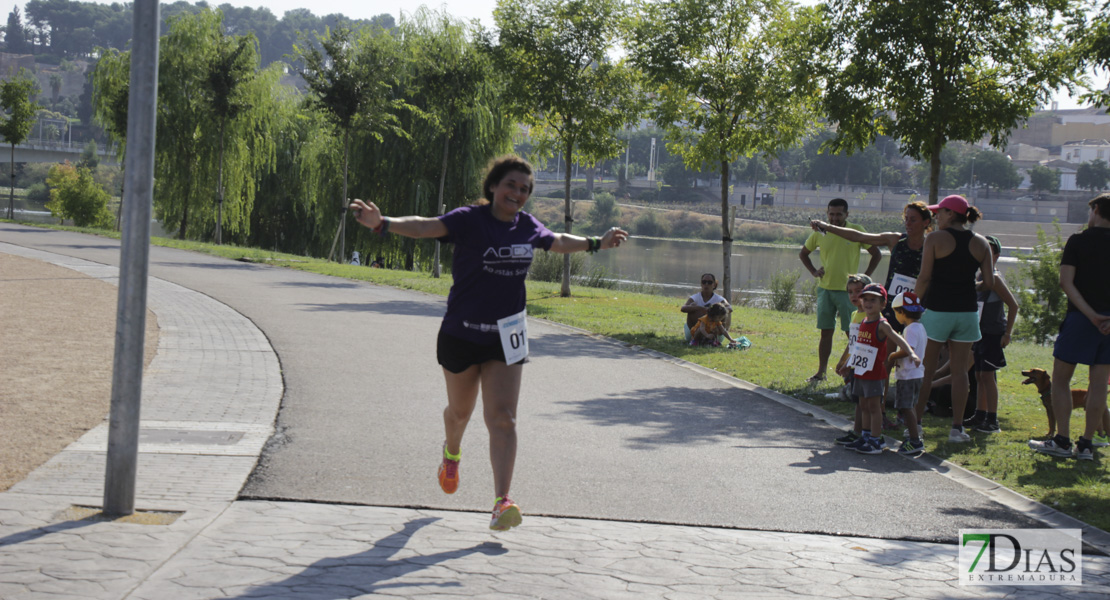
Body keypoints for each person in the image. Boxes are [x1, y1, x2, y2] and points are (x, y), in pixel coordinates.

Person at [349, 155, 629, 530]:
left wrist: (597, 242)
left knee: (503, 419)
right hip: (461, 334)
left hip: (507, 336)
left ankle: (502, 501)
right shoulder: (469, 220)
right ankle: (451, 453)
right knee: (460, 413)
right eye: (511, 185)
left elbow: (557, 241)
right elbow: (424, 227)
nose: (518, 193)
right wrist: (383, 224)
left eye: (525, 189)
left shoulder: (527, 226)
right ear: (494, 186)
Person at [1029, 194, 1110, 461]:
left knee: (1061, 379)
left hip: (1081, 319)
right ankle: (1086, 445)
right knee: (1098, 384)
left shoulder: (1078, 241)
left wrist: (1091, 315)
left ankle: (1062, 440)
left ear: (1096, 209)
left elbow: (1066, 282)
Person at [911, 195, 994, 444]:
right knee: (960, 373)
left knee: (926, 370)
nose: (936, 217)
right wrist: (968, 287)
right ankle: (957, 429)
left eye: (940, 212)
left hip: (938, 309)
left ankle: (916, 424)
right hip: (967, 312)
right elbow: (988, 283)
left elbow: (925, 277)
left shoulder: (935, 239)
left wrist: (912, 303)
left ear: (951, 214)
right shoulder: (981, 243)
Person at [810, 201, 933, 333]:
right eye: (906, 219)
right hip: (893, 304)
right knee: (886, 348)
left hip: (919, 305)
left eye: (913, 220)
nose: (907, 223)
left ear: (925, 222)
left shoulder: (932, 245)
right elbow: (858, 236)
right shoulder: (895, 240)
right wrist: (827, 227)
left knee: (917, 346)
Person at [799, 198, 882, 382]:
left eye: (839, 214)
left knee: (853, 333)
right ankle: (821, 373)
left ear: (847, 214)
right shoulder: (820, 232)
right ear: (827, 214)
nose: (834, 218)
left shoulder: (856, 231)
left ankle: (857, 372)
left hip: (850, 293)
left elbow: (876, 254)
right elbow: (803, 253)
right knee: (825, 332)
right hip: (825, 289)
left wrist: (864, 281)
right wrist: (814, 271)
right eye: (831, 214)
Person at [842, 284, 921, 454]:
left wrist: (911, 354)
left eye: (873, 300)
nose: (868, 303)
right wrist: (847, 365)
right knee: (862, 405)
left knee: (873, 406)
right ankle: (866, 435)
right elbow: (858, 347)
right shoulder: (863, 320)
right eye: (865, 299)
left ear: (883, 304)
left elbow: (898, 339)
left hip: (875, 373)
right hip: (861, 372)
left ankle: (876, 440)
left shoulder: (882, 324)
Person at [963, 235, 1018, 434]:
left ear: (995, 254)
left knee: (988, 375)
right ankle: (980, 414)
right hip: (980, 332)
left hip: (993, 333)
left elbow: (1013, 305)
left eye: (988, 250)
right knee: (978, 375)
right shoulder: (979, 277)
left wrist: (1007, 333)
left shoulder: (994, 278)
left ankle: (992, 420)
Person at [886, 291, 927, 456]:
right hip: (916, 374)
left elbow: (907, 350)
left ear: (901, 312)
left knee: (906, 407)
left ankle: (914, 440)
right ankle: (914, 435)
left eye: (896, 312)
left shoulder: (910, 330)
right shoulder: (921, 327)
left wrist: (893, 356)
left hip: (908, 375)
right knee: (911, 406)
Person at [833, 273, 871, 446]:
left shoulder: (870, 317)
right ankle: (857, 431)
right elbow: (852, 343)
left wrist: (849, 364)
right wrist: (842, 361)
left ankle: (868, 434)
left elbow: (864, 346)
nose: (854, 295)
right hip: (854, 363)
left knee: (866, 401)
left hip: (866, 365)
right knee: (857, 399)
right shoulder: (855, 314)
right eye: (850, 292)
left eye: (858, 291)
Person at [681, 273, 731, 341]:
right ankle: (697, 336)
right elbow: (683, 308)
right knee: (692, 308)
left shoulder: (719, 299)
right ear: (701, 284)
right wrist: (700, 308)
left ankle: (716, 336)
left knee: (724, 311)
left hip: (715, 330)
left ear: (714, 285)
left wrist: (715, 309)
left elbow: (730, 308)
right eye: (704, 282)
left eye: (709, 282)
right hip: (698, 331)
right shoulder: (695, 297)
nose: (706, 284)